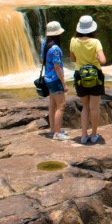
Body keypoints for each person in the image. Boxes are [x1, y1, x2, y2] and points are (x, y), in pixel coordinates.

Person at [70, 15, 106, 144]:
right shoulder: (95, 42)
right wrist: (95, 58)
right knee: (94, 107)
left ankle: (84, 136)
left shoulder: (73, 41)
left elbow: (73, 59)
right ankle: (94, 134)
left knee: (85, 107)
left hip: (80, 75)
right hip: (95, 75)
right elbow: (103, 60)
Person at [42, 21, 69, 140]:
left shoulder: (45, 44)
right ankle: (57, 133)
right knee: (61, 106)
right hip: (55, 79)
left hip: (47, 78)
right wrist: (64, 83)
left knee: (52, 105)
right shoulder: (55, 48)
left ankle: (53, 129)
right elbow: (57, 67)